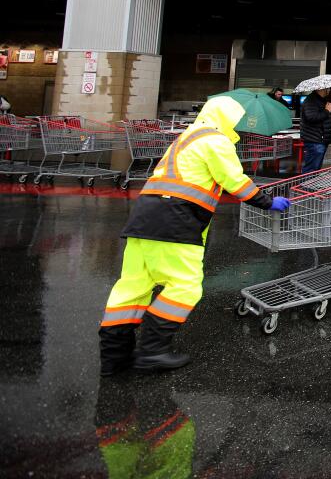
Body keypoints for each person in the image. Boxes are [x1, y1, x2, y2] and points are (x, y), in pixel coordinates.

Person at [98, 96, 290, 374]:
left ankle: (114, 358)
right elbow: (234, 181)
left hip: (145, 217)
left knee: (132, 287)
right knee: (185, 286)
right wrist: (267, 201)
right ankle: (153, 351)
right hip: (176, 219)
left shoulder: (187, 138)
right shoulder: (216, 141)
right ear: (225, 118)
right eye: (235, 120)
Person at [300, 88, 331, 173]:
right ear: (321, 89)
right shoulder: (311, 100)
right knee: (311, 168)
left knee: (315, 168)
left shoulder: (321, 100)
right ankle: (305, 186)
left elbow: (324, 119)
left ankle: (309, 185)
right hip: (314, 139)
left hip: (319, 139)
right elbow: (311, 117)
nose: (329, 90)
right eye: (327, 89)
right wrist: (327, 111)